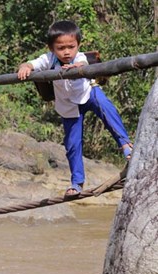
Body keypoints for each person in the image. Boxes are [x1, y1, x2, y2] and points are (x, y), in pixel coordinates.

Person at [17, 20, 133, 198]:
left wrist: (77, 67)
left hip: (88, 94)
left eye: (71, 47)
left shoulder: (79, 57)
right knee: (72, 144)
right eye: (61, 48)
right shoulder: (48, 59)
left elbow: (83, 63)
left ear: (78, 45)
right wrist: (25, 67)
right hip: (68, 106)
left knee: (106, 108)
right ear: (51, 48)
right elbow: (32, 64)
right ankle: (76, 182)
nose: (66, 52)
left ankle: (126, 145)